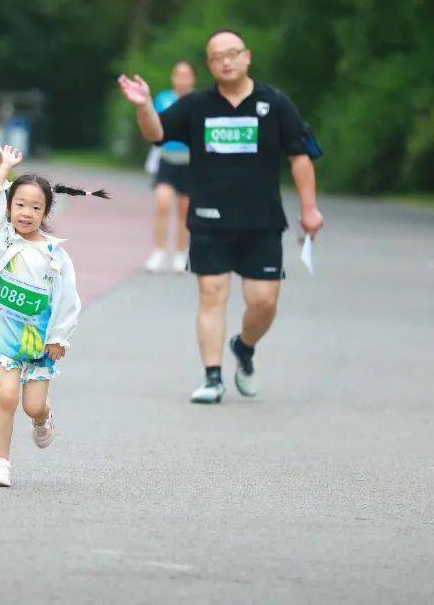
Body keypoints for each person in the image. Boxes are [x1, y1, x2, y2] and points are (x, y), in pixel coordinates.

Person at [117, 29, 324, 404]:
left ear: (247, 56)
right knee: (212, 294)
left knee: (264, 301)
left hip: (261, 221)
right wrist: (144, 104)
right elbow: (157, 133)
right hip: (209, 218)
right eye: (217, 56)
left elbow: (300, 155)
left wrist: (309, 209)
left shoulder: (274, 103)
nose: (226, 61)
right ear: (210, 65)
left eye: (232, 53)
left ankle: (244, 347)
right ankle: (212, 377)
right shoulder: (197, 105)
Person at [0, 145, 108, 487]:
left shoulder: (54, 256)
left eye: (35, 207)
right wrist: (3, 168)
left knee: (32, 406)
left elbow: (67, 299)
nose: (26, 213)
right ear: (9, 207)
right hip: (4, 337)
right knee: (6, 396)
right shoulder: (2, 239)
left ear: (45, 211)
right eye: (19, 205)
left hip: (39, 343)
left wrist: (59, 338)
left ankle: (43, 417)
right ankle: (0, 463)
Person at [144, 61, 196, 273]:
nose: (182, 79)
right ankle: (159, 250)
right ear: (173, 77)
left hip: (190, 162)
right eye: (178, 74)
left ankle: (181, 253)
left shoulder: (199, 101)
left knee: (185, 209)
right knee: (163, 203)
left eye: (186, 75)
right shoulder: (163, 98)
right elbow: (153, 125)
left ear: (193, 78)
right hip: (166, 158)